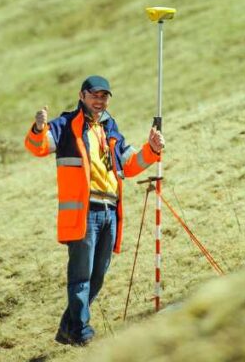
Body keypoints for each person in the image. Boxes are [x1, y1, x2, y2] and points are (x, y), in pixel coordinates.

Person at [25, 75, 165, 346]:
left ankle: (68, 327)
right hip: (84, 213)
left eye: (104, 96)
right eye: (94, 95)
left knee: (97, 276)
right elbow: (38, 147)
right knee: (81, 276)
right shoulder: (66, 125)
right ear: (82, 96)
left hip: (110, 211)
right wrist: (38, 127)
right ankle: (81, 331)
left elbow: (131, 164)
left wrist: (152, 149)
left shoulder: (111, 127)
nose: (99, 101)